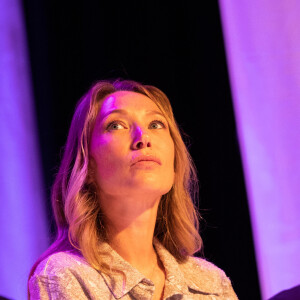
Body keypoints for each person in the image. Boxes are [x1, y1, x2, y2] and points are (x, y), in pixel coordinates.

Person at [28, 79, 238, 299]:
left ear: (174, 165)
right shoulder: (66, 275)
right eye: (116, 125)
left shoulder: (213, 283)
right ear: (87, 168)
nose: (143, 137)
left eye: (155, 124)